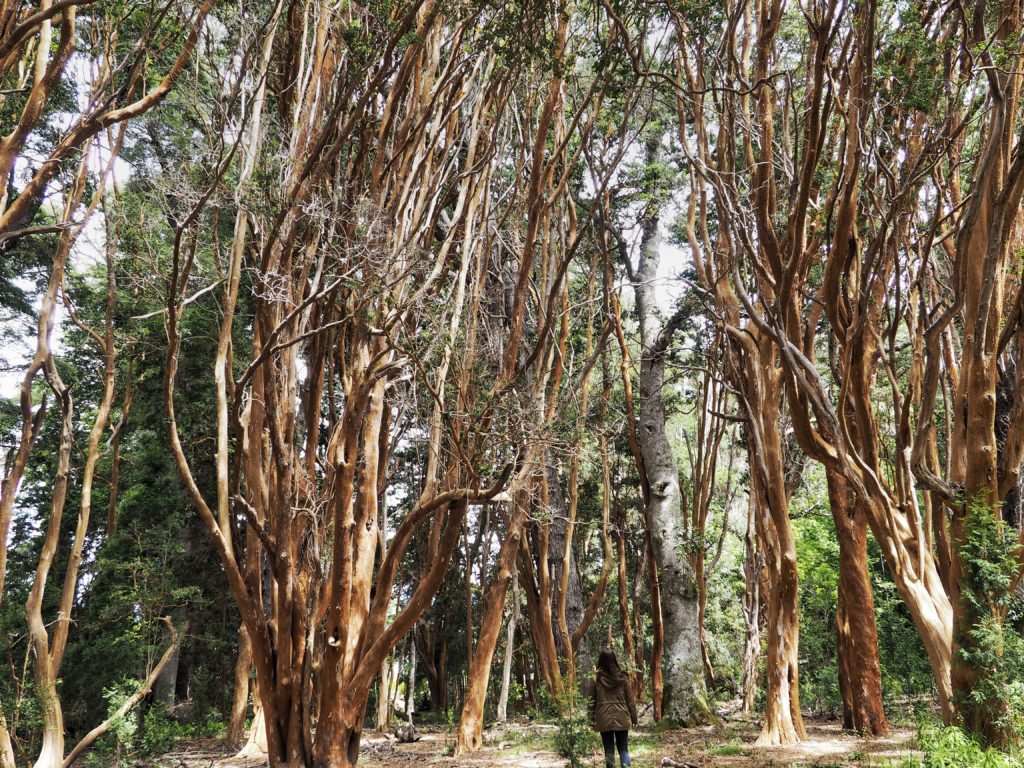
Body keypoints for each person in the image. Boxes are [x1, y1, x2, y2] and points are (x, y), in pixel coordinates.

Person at [588, 649, 637, 768]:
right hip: (622, 717)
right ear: (615, 660)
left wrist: (590, 720)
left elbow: (591, 702)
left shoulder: (596, 679)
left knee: (609, 750)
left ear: (600, 661)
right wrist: (634, 718)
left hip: (603, 718)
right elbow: (630, 701)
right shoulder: (623, 678)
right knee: (623, 749)